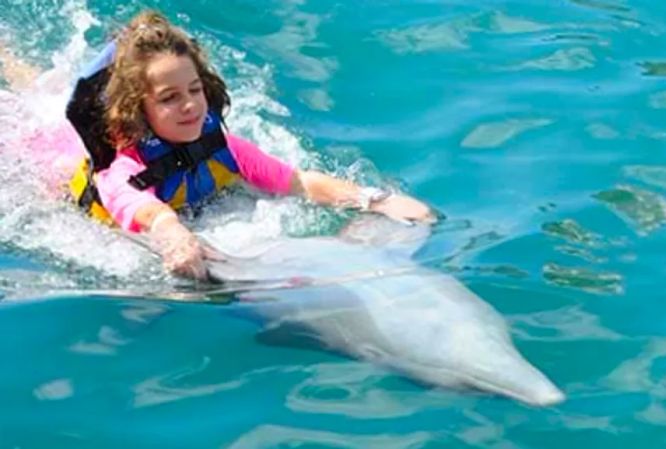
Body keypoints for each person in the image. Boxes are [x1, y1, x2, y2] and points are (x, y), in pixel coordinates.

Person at [3, 10, 434, 280]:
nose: (190, 106)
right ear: (139, 110)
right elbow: (149, 214)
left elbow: (298, 180)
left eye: (194, 89)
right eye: (170, 99)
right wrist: (176, 236)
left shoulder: (221, 146)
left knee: (47, 86)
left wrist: (374, 199)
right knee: (34, 101)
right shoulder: (122, 174)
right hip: (47, 154)